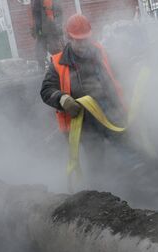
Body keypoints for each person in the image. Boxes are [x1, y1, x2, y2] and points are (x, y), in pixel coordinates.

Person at [40, 14, 134, 185]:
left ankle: (138, 184)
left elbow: (117, 76)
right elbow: (46, 90)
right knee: (96, 161)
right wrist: (63, 99)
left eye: (85, 40)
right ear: (69, 38)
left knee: (128, 152)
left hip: (110, 113)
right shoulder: (58, 63)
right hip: (83, 122)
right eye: (78, 40)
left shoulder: (101, 53)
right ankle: (102, 193)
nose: (83, 45)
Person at [30, 0, 63, 68]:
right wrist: (33, 29)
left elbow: (59, 12)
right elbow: (32, 16)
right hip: (39, 31)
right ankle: (42, 71)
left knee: (55, 50)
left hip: (51, 29)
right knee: (39, 52)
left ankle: (60, 67)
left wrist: (58, 25)